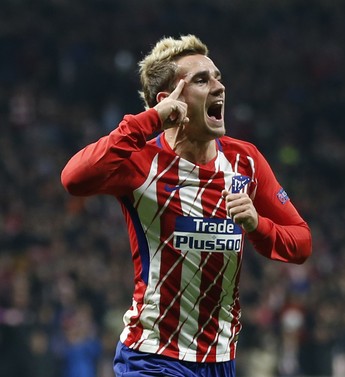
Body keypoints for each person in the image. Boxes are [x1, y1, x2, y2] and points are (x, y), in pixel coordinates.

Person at [61, 34, 312, 377]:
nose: (218, 86)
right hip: (152, 356)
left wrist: (257, 224)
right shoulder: (141, 161)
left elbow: (301, 243)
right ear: (170, 101)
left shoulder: (245, 161)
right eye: (201, 79)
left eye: (218, 76)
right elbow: (74, 179)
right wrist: (149, 120)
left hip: (220, 358)